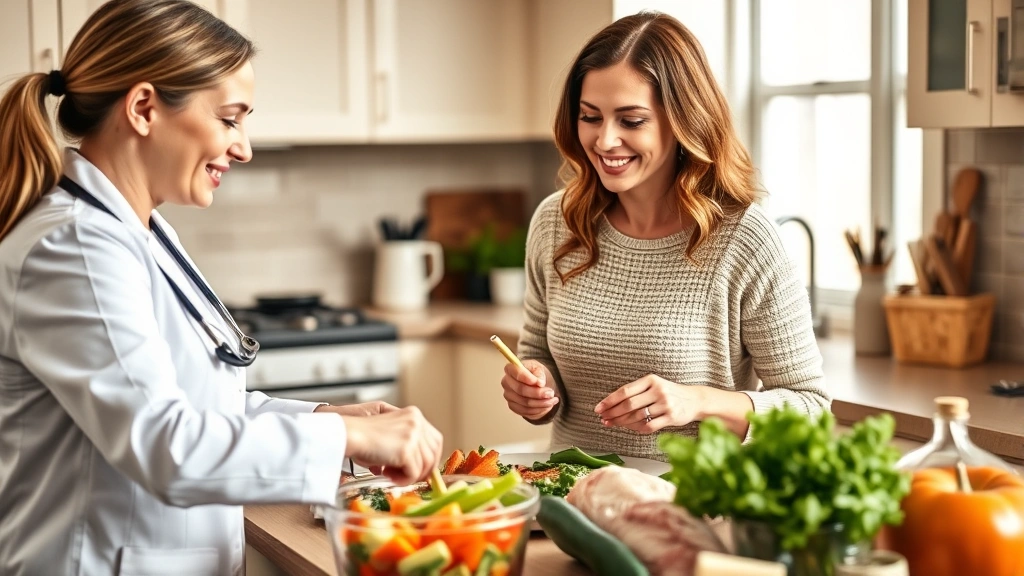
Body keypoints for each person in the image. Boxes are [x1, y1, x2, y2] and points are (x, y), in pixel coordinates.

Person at [0, 1, 442, 574]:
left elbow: (202, 406)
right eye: (230, 118)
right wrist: (346, 439)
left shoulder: (141, 230)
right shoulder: (77, 246)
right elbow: (168, 444)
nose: (244, 146)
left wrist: (329, 418)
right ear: (143, 108)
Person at [499, 12, 830, 460]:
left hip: (690, 512)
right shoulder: (555, 223)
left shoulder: (744, 241)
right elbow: (539, 359)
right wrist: (535, 391)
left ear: (682, 121)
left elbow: (812, 409)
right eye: (590, 117)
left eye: (631, 121)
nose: (605, 140)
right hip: (572, 506)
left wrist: (696, 401)